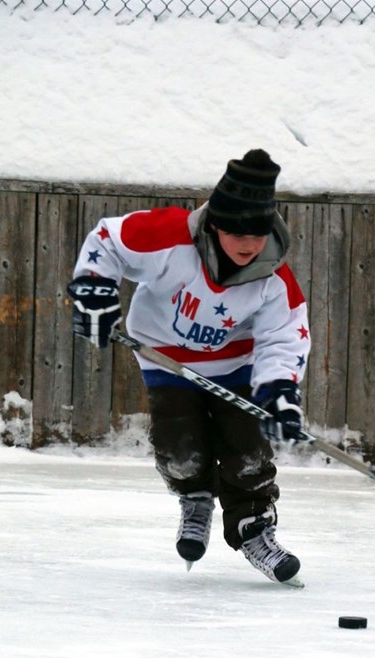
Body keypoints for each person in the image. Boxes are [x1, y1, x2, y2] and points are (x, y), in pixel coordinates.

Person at [67, 149, 311, 584]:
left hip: (237, 361)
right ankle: (194, 497)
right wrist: (93, 288)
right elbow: (107, 240)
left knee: (246, 448)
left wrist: (279, 388)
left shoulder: (272, 275)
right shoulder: (169, 235)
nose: (248, 245)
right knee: (179, 447)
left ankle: (253, 527)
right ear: (215, 222)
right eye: (237, 233)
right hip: (165, 356)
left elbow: (285, 333)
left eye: (257, 234)